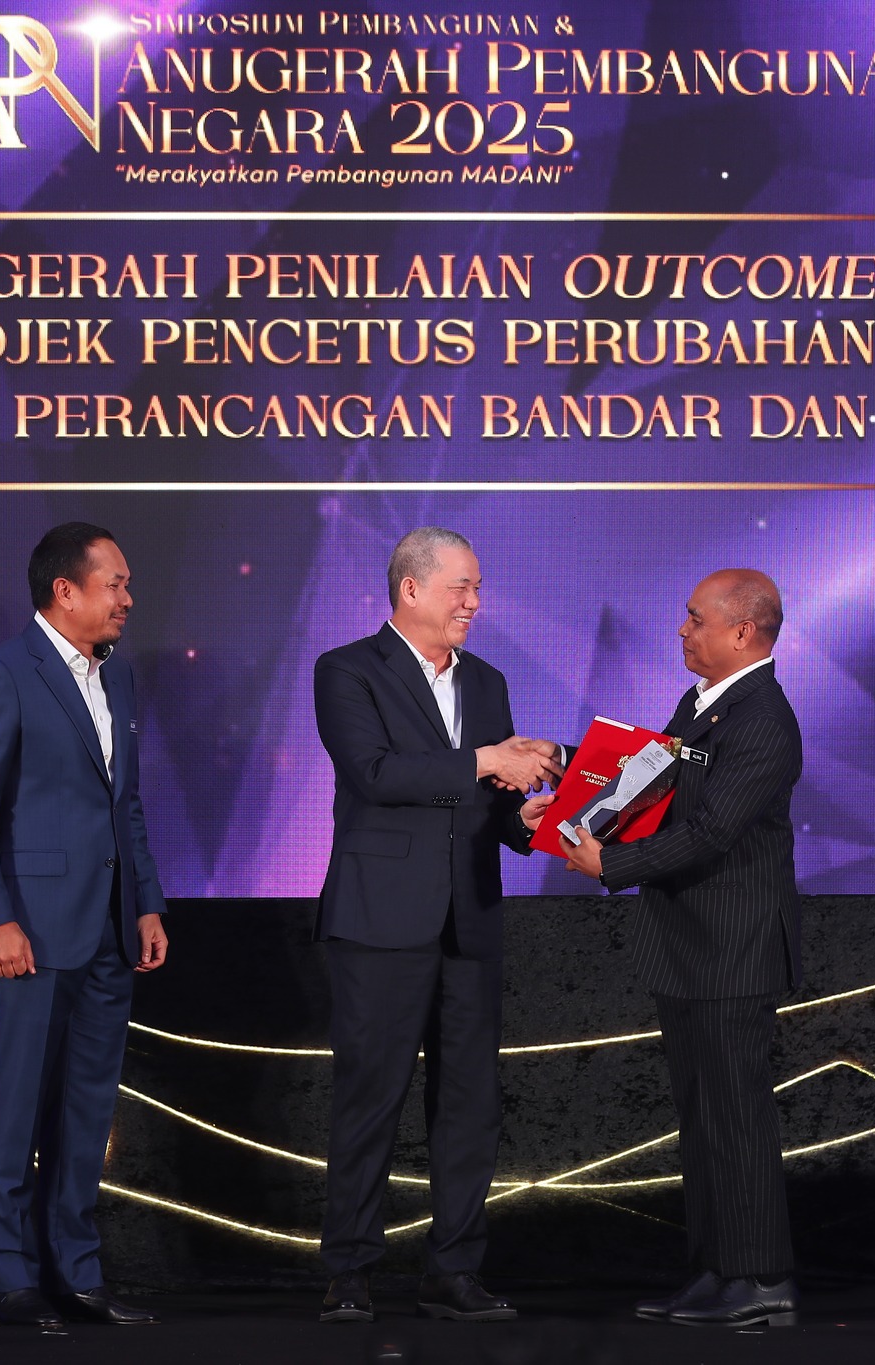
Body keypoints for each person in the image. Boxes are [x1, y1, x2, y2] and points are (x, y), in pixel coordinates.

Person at [311, 527, 563, 1325]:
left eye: (478, 587)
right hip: (380, 918)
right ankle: (350, 1271)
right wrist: (486, 761)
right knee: (371, 1098)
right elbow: (375, 773)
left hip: (470, 919)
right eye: (462, 586)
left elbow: (489, 806)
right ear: (411, 588)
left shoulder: (486, 680)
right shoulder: (347, 669)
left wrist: (524, 816)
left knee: (469, 1104)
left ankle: (453, 1269)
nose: (475, 602)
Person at [556, 568, 802, 1330]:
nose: (682, 630)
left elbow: (709, 831)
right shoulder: (706, 703)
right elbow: (649, 780)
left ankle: (760, 1280)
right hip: (690, 946)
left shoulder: (763, 719)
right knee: (702, 1121)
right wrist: (563, 770)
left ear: (742, 632)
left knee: (737, 1119)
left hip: (733, 950)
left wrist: (611, 863)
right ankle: (716, 1269)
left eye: (696, 619)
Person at [0, 522, 170, 1330]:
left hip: (108, 928)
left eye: (128, 584)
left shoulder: (119, 676)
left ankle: (77, 1274)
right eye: (116, 583)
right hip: (30, 931)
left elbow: (124, 803)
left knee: (87, 1109)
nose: (128, 598)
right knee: (16, 1104)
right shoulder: (1, 673)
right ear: (64, 590)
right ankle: (12, 1276)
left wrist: (145, 900)